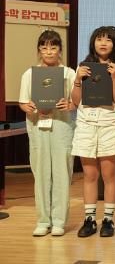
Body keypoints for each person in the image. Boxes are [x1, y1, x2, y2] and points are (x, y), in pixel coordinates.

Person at [71, 26, 115, 238]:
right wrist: (78, 79)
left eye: (108, 40)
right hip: (86, 124)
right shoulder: (83, 67)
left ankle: (108, 219)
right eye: (99, 39)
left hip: (109, 124)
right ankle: (89, 219)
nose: (103, 43)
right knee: (89, 174)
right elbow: (75, 101)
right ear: (93, 42)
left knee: (109, 174)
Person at [18, 30, 76, 236]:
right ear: (39, 50)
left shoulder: (69, 74)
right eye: (44, 47)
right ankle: (43, 220)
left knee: (62, 172)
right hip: (38, 125)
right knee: (41, 173)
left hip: (62, 126)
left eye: (53, 47)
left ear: (60, 49)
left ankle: (59, 221)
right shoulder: (30, 74)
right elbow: (23, 102)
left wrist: (69, 104)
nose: (49, 51)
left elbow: (76, 101)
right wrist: (29, 107)